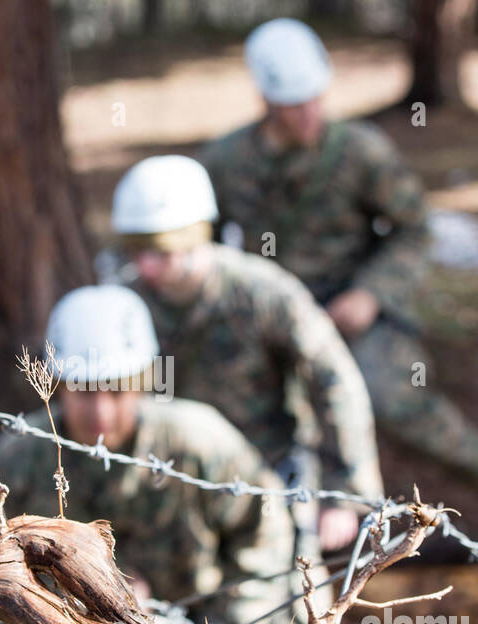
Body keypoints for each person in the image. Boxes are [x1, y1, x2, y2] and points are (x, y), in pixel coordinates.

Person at [197, 17, 478, 564]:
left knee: (392, 398)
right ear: (266, 98)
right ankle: (271, 545)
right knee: (249, 417)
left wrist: (371, 294)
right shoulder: (226, 162)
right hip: (276, 317)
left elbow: (414, 228)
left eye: (315, 98)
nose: (308, 113)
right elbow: (204, 248)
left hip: (352, 307)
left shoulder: (360, 153)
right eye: (293, 103)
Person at [104, 154, 383, 565]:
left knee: (293, 605)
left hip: (267, 477)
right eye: (136, 250)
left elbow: (334, 381)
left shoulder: (263, 293)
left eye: (161, 251)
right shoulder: (124, 303)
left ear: (197, 236)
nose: (146, 266)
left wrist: (344, 492)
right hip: (170, 482)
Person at [0, 285, 299, 624]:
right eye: (84, 391)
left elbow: (264, 530)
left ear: (141, 384)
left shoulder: (199, 442)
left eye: (116, 392)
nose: (101, 413)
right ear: (58, 385)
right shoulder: (20, 459)